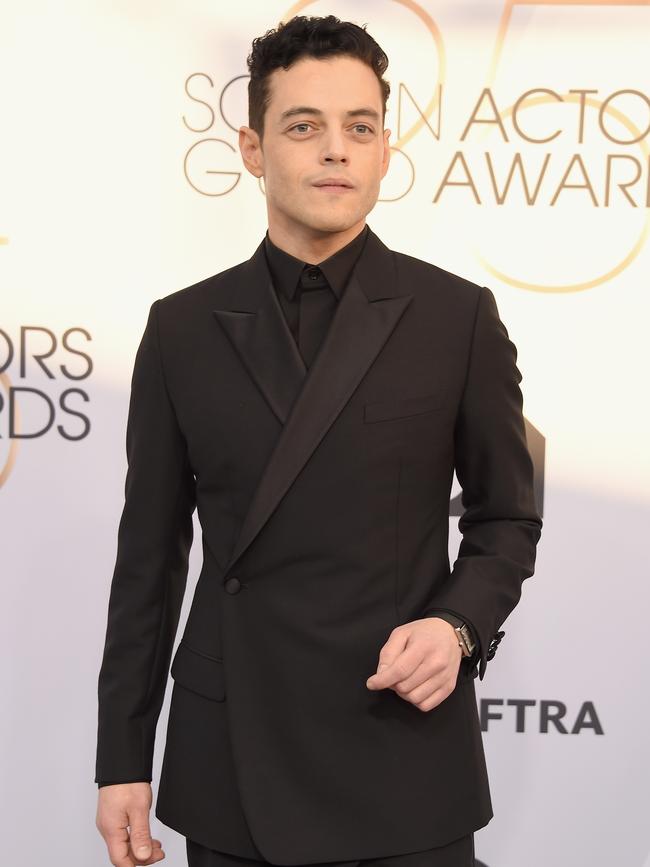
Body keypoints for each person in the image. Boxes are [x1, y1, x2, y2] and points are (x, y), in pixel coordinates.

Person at [94, 14, 542, 867]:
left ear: (383, 150)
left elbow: (507, 521)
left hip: (402, 752)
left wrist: (455, 625)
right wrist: (122, 759)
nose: (335, 149)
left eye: (359, 127)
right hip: (234, 765)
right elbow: (148, 560)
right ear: (254, 149)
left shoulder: (457, 319)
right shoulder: (181, 329)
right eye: (304, 125)